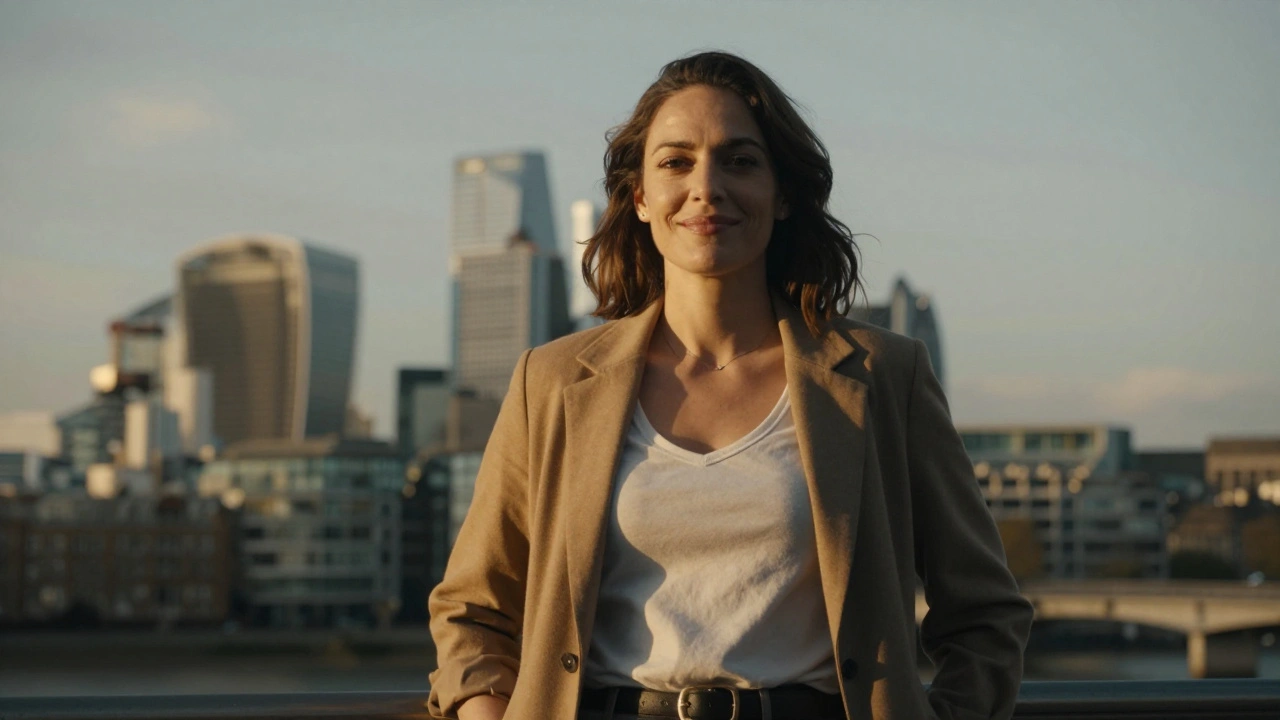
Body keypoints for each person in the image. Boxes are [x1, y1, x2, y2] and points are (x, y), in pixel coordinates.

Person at [427, 51, 1033, 720]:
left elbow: (985, 616)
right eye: (675, 162)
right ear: (639, 197)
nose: (706, 187)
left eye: (740, 161)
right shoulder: (553, 383)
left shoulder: (882, 375)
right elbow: (472, 612)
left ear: (783, 195)